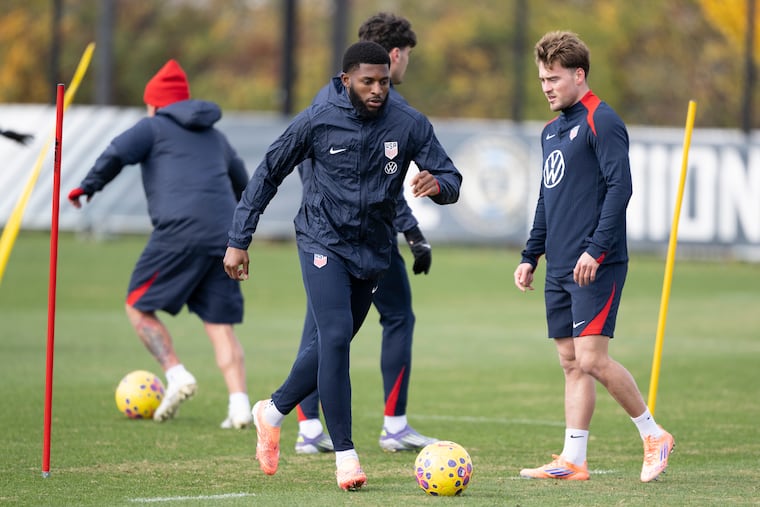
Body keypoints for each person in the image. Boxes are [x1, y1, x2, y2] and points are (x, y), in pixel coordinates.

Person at [223, 41, 462, 491]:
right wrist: (239, 239)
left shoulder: (408, 123)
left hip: (372, 251)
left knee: (326, 347)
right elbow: (267, 173)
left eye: (384, 82)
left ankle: (271, 412)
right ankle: (346, 456)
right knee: (334, 337)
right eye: (367, 81)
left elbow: (451, 177)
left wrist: (440, 185)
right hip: (321, 239)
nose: (377, 90)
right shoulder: (319, 118)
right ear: (345, 79)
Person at [513, 31, 674, 483]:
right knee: (570, 361)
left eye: (554, 78)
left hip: (594, 264)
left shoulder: (603, 120)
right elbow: (547, 199)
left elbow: (620, 188)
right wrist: (531, 255)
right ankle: (573, 460)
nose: (546, 86)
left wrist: (596, 249)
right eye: (542, 78)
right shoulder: (551, 131)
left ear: (578, 74)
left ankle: (653, 434)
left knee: (591, 359)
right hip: (560, 265)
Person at [68, 59, 253, 429]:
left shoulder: (152, 127)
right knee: (219, 324)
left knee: (138, 304)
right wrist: (240, 229)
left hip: (180, 231)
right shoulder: (215, 136)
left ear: (155, 104)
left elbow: (117, 152)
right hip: (225, 236)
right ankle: (239, 406)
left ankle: (176, 373)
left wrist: (87, 187)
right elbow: (242, 180)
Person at [292, 12, 437, 456]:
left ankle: (307, 426)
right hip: (361, 238)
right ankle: (393, 426)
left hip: (322, 235)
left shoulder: (326, 98)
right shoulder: (389, 112)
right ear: (395, 55)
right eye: (407, 56)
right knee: (395, 316)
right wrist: (413, 234)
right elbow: (376, 187)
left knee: (323, 322)